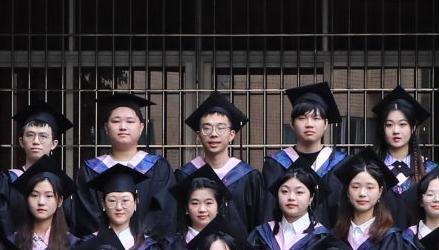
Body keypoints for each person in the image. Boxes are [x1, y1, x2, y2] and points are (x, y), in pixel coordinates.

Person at [75, 91, 174, 236]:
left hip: (147, 247)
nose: (123, 127)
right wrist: (111, 241)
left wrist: (138, 241)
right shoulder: (90, 170)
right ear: (106, 128)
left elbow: (164, 212)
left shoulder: (158, 168)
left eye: (130, 121)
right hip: (103, 247)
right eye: (116, 121)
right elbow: (86, 215)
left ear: (141, 127)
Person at [264, 82, 349, 225]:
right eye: (302, 118)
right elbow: (268, 211)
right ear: (292, 124)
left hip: (331, 237)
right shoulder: (276, 164)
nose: (309, 124)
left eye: (316, 118)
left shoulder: (340, 164)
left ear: (326, 124)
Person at [179, 92, 266, 232]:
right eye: (207, 128)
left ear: (231, 135)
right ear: (198, 135)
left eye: (221, 128)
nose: (214, 134)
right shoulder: (185, 175)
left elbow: (259, 225)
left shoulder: (248, 177)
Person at [0, 102, 72, 234]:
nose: (36, 141)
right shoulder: (7, 180)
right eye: (30, 135)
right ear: (21, 142)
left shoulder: (61, 184)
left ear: (54, 144)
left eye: (43, 136)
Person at [371, 86, 439, 229]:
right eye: (389, 125)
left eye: (403, 124)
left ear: (413, 127)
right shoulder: (372, 168)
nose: (396, 131)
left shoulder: (429, 170)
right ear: (382, 129)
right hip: (379, 240)